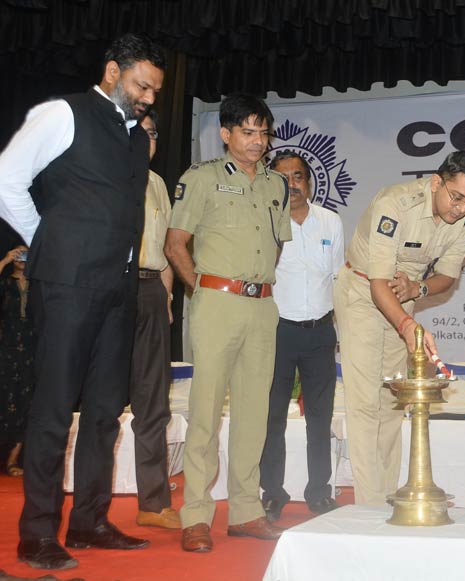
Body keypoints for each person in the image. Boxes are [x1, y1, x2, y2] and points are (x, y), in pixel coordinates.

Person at [0, 33, 164, 571]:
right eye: (142, 85)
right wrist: (48, 239)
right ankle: (37, 533)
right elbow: (7, 180)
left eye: (155, 91)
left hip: (119, 288)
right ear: (114, 71)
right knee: (52, 411)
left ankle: (90, 521)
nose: (148, 99)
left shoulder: (138, 138)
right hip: (66, 285)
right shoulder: (61, 114)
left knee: (103, 413)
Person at [165, 93, 291, 553]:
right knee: (205, 413)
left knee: (254, 414)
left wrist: (255, 285)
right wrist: (202, 292)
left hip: (263, 307)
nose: (257, 141)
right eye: (247, 131)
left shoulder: (277, 184)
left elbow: (278, 244)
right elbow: (175, 243)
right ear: (226, 134)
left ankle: (245, 510)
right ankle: (196, 514)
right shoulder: (202, 178)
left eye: (263, 132)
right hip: (216, 302)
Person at [334, 150, 465, 506]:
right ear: (437, 182)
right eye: (457, 197)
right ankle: (369, 506)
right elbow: (377, 284)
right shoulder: (396, 203)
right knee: (364, 403)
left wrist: (417, 290)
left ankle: (387, 496)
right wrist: (407, 326)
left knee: (391, 400)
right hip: (361, 292)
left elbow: (447, 277)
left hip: (402, 298)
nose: (462, 209)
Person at [259, 150, 344, 520]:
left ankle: (319, 491)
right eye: (284, 177)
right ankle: (272, 492)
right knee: (272, 417)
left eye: (298, 176)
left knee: (320, 418)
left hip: (321, 332)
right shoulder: (264, 222)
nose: (292, 184)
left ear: (308, 182)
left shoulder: (331, 222)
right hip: (277, 331)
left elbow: (339, 279)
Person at [130, 110, 179, 530]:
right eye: (139, 132)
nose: (148, 139)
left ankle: (153, 502)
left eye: (153, 133)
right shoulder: (100, 176)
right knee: (97, 400)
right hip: (107, 287)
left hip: (148, 288)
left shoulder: (158, 183)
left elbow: (164, 247)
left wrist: (165, 297)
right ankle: (86, 507)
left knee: (153, 400)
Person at [0, 245, 33, 478]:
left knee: (26, 404)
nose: (22, 259)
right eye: (19, 255)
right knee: (4, 401)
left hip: (31, 352)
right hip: (6, 349)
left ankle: (14, 460)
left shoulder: (37, 285)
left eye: (25, 255)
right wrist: (4, 260)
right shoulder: (5, 285)